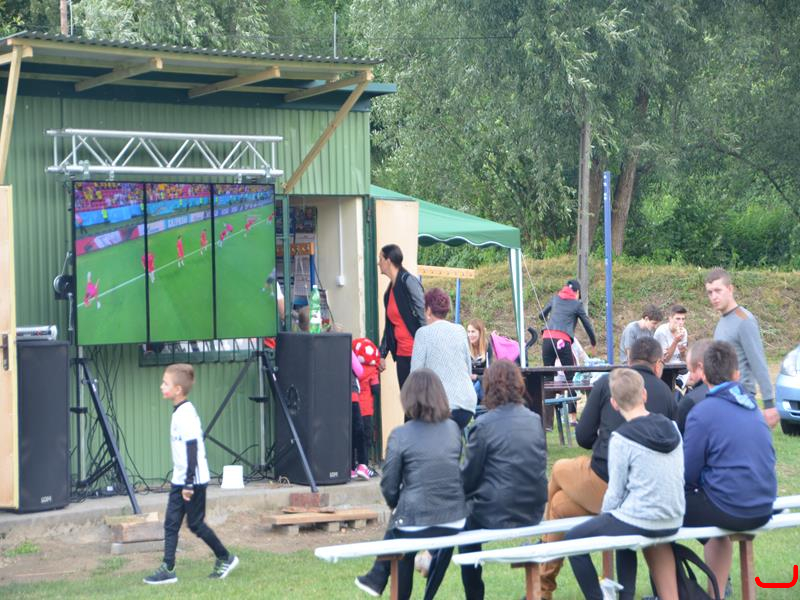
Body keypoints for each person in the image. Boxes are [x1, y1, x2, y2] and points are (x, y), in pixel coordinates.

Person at [539, 336, 676, 598]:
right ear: (658, 364)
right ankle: (542, 586)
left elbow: (583, 436)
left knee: (558, 469)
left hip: (606, 483)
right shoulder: (667, 395)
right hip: (647, 493)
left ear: (628, 359)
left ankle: (542, 578)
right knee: (558, 505)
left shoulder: (608, 383)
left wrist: (603, 440)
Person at [566, 368, 684, 600]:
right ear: (644, 395)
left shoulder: (621, 438)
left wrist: (604, 518)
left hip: (643, 518)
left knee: (573, 539)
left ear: (614, 403)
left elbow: (615, 493)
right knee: (621, 524)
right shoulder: (673, 428)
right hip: (674, 517)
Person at [438, 360, 548, 600]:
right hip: (534, 509)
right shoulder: (534, 419)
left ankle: (474, 595)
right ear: (518, 385)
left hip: (496, 512)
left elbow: (468, 479)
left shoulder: (483, 425)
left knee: (463, 526)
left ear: (488, 388)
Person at [354, 369, 466, 600]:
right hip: (454, 520)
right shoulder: (454, 429)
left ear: (408, 398)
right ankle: (378, 575)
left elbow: (389, 484)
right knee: (403, 524)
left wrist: (396, 504)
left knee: (401, 532)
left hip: (415, 519)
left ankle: (379, 576)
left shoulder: (400, 435)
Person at [682, 340, 777, 594]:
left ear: (703, 374)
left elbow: (688, 474)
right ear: (736, 374)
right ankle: (716, 593)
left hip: (731, 508)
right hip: (764, 505)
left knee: (659, 512)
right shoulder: (753, 407)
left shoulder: (702, 412)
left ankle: (671, 592)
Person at [144, 364, 239, 585]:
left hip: (192, 481)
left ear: (178, 389)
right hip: (180, 479)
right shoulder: (179, 411)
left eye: (165, 383)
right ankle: (168, 569)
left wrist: (188, 483)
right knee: (171, 523)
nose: (161, 386)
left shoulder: (185, 413)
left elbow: (192, 447)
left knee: (195, 524)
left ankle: (225, 557)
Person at [706, 267, 778, 428]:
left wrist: (769, 404)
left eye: (718, 290)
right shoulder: (722, 321)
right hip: (723, 398)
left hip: (741, 398)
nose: (714, 296)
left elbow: (758, 362)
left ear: (730, 289)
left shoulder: (744, 320)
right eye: (710, 292)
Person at [411, 288, 477, 430]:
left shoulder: (423, 333)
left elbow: (415, 376)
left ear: (428, 310)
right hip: (466, 404)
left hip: (439, 406)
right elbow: (468, 369)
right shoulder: (460, 330)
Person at [539, 279, 597, 423]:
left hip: (547, 339)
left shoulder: (555, 298)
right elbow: (587, 324)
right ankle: (572, 418)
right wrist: (593, 342)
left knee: (548, 379)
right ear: (577, 292)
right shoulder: (577, 304)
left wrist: (551, 320)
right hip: (562, 341)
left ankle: (547, 422)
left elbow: (541, 315)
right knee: (570, 378)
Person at [378, 244, 426, 389]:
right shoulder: (388, 293)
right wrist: (382, 354)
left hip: (417, 354)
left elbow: (423, 314)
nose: (378, 263)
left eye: (380, 259)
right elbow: (390, 326)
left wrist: (429, 346)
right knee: (407, 399)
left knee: (418, 400)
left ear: (388, 261)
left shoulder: (408, 281)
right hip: (402, 355)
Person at [353, 337, 381, 466]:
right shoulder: (372, 371)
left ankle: (352, 463)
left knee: (354, 435)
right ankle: (364, 464)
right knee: (365, 437)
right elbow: (376, 389)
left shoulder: (353, 368)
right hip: (367, 410)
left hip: (354, 406)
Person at [675, 338, 712, 434]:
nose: (690, 376)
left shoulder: (690, 401)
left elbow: (681, 436)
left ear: (700, 367)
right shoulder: (737, 391)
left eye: (690, 370)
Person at [350, 350, 370, 480]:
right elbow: (359, 371)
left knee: (344, 433)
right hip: (352, 395)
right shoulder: (347, 349)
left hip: (335, 397)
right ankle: (362, 464)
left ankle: (349, 466)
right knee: (358, 431)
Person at [466, 319, 491, 403]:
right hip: (468, 382)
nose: (470, 335)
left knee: (479, 385)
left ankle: (470, 401)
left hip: (483, 382)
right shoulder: (466, 346)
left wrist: (477, 377)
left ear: (480, 333)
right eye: (468, 332)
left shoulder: (487, 347)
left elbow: (491, 374)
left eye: (473, 332)